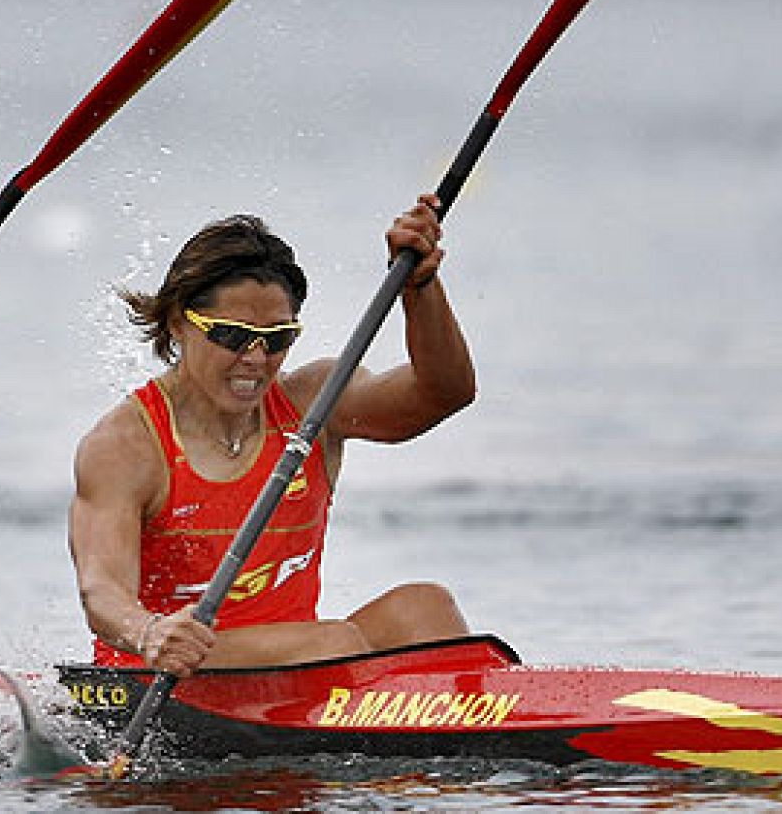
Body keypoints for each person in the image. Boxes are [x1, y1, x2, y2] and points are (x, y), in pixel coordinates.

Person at [69, 195, 477, 678]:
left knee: (425, 608)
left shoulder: (313, 406)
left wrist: (420, 287)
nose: (256, 359)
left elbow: (444, 393)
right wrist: (149, 632)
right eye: (233, 336)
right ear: (178, 323)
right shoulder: (125, 444)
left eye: (277, 338)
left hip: (298, 659)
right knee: (332, 643)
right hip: (167, 670)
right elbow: (102, 592)